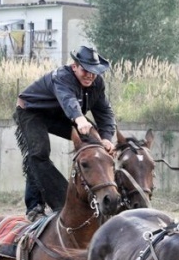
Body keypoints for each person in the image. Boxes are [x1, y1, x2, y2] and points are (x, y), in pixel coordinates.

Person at [14, 46, 117, 221]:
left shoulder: (97, 84)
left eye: (94, 72)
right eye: (85, 70)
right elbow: (68, 99)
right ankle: (36, 207)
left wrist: (106, 138)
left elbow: (105, 112)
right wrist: (79, 118)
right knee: (38, 153)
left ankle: (105, 194)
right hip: (32, 111)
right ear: (74, 66)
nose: (90, 75)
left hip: (62, 114)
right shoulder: (62, 77)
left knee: (96, 140)